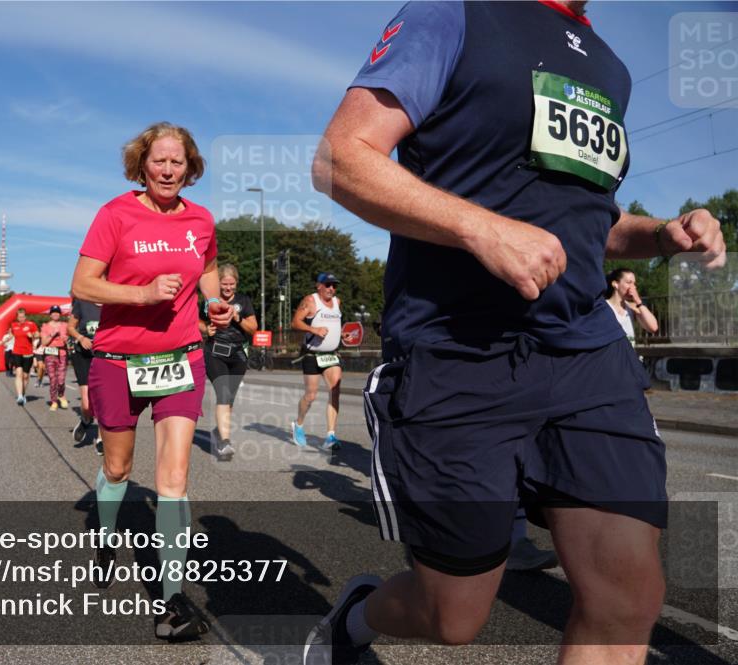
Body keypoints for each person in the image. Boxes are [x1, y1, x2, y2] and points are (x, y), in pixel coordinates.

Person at [304, 2, 727, 664]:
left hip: (586, 351)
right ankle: (355, 620)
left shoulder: (609, 67)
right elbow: (340, 158)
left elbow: (597, 222)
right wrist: (480, 228)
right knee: (453, 613)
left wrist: (663, 234)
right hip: (457, 350)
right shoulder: (456, 13)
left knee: (627, 594)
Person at [71, 121, 232, 641]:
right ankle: (105, 533)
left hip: (181, 359)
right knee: (117, 468)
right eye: (158, 161)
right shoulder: (115, 214)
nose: (167, 170)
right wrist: (141, 295)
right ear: (142, 165)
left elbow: (207, 267)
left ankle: (170, 601)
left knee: (174, 478)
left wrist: (214, 300)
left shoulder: (201, 219)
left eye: (176, 162)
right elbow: (83, 283)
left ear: (190, 168)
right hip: (118, 360)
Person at [198, 263, 257, 461]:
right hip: (215, 353)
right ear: (218, 283)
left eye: (231, 284)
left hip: (238, 355)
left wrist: (237, 317)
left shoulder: (243, 301)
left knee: (229, 398)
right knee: (223, 394)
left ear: (236, 283)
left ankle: (219, 431)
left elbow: (253, 329)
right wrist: (205, 329)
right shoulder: (210, 302)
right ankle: (224, 442)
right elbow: (196, 321)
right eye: (224, 284)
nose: (228, 288)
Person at [290, 272, 351, 451]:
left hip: (331, 355)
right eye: (328, 285)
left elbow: (334, 324)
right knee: (311, 396)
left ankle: (330, 436)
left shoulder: (337, 302)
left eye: (334, 285)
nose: (331, 288)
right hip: (312, 355)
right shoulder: (310, 301)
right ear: (319, 286)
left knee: (335, 391)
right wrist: (314, 330)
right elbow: (295, 323)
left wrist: (342, 334)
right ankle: (298, 425)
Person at [69, 296, 103, 455]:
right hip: (82, 355)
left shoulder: (113, 303)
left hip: (103, 355)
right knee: (87, 404)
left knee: (104, 400)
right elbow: (70, 328)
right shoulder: (82, 303)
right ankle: (86, 420)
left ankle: (101, 438)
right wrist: (81, 338)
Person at [605, 267, 658, 345]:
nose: (633, 287)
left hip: (629, 352)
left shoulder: (632, 307)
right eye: (629, 282)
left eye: (634, 283)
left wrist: (638, 301)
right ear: (615, 284)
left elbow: (653, 327)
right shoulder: (603, 307)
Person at [2, 308, 38, 405]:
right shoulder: (14, 325)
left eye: (23, 316)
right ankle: (20, 396)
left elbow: (37, 334)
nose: (21, 318)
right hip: (17, 352)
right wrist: (3, 341)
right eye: (19, 317)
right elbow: (11, 335)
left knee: (25, 376)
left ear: (25, 317)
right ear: (17, 317)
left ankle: (23, 393)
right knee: (19, 373)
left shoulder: (31, 324)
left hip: (28, 352)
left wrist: (32, 335)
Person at [40, 305, 71, 411]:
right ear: (50, 315)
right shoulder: (45, 326)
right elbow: (44, 342)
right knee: (53, 379)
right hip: (50, 354)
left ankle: (61, 395)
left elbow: (70, 340)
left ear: (60, 314)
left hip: (62, 353)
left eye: (57, 312)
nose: (55, 314)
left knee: (61, 380)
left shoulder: (65, 325)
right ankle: (54, 401)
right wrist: (52, 335)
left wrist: (67, 340)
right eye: (53, 312)